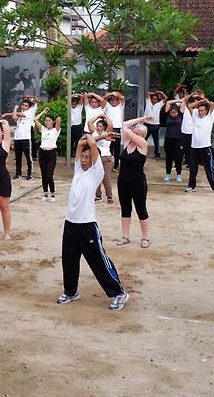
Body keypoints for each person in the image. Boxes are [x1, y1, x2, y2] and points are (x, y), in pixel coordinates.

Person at [58, 133, 129, 310]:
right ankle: (71, 291)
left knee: (98, 261)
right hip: (70, 223)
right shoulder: (78, 170)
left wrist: (98, 137)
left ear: (94, 159)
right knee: (69, 259)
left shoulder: (95, 172)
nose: (83, 159)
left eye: (87, 157)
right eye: (82, 156)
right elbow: (82, 143)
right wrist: (90, 141)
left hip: (87, 224)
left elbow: (89, 142)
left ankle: (119, 293)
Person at [116, 115, 154, 248]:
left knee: (141, 209)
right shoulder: (127, 143)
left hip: (137, 182)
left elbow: (125, 129)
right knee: (125, 208)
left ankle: (145, 238)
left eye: (137, 133)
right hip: (123, 181)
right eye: (134, 132)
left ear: (142, 136)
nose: (133, 134)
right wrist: (142, 118)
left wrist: (133, 129)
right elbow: (124, 124)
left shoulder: (143, 145)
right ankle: (125, 236)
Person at [184, 92, 214, 194]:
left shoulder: (209, 117)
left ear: (206, 111)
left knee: (209, 168)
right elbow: (189, 106)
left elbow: (212, 104)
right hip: (194, 146)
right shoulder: (195, 115)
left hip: (205, 146)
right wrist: (200, 101)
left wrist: (204, 100)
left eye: (202, 111)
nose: (200, 112)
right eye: (199, 110)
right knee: (193, 167)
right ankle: (191, 186)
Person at [34, 107, 61, 202]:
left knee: (49, 175)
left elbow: (58, 119)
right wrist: (43, 112)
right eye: (46, 121)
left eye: (49, 121)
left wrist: (51, 114)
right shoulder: (43, 129)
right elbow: (35, 119)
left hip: (51, 153)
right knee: (44, 175)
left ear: (52, 122)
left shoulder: (56, 130)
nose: (47, 122)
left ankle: (52, 194)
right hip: (42, 153)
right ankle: (45, 193)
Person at [88, 113, 115, 204]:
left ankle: (109, 195)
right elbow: (89, 122)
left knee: (106, 177)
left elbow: (110, 124)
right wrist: (98, 116)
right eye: (97, 126)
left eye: (100, 126)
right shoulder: (94, 133)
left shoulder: (107, 133)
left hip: (106, 157)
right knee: (96, 177)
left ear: (104, 127)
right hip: (96, 157)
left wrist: (105, 117)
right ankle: (98, 195)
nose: (98, 128)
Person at [12, 98, 37, 180]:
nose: (24, 107)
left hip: (25, 138)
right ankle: (18, 173)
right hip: (17, 138)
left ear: (29, 107)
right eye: (23, 105)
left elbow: (15, 115)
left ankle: (30, 173)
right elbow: (14, 117)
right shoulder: (20, 115)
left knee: (28, 157)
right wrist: (13, 111)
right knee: (18, 157)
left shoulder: (29, 113)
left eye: (26, 106)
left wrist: (15, 109)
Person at [163, 99, 184, 182]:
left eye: (174, 113)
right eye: (171, 113)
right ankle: (167, 174)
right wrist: (177, 100)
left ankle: (179, 174)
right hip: (168, 139)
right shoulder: (167, 115)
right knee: (169, 158)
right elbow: (168, 102)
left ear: (177, 112)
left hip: (178, 139)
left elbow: (183, 103)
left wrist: (179, 102)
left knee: (178, 158)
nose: (173, 114)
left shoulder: (180, 115)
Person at [104, 91, 125, 171]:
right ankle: (108, 164)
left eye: (115, 100)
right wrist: (111, 94)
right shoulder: (108, 106)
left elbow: (122, 98)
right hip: (108, 129)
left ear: (118, 101)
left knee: (116, 149)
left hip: (117, 129)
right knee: (108, 148)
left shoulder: (120, 106)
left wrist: (115, 94)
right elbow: (104, 98)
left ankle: (116, 165)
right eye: (112, 100)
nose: (113, 101)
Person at [144, 91, 167, 159]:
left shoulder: (159, 104)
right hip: (147, 125)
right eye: (153, 98)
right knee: (143, 139)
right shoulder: (148, 102)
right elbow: (147, 93)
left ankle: (157, 154)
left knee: (156, 141)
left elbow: (166, 98)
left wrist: (160, 92)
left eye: (155, 99)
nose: (154, 100)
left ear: (157, 100)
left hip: (155, 126)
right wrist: (154, 93)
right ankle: (142, 152)